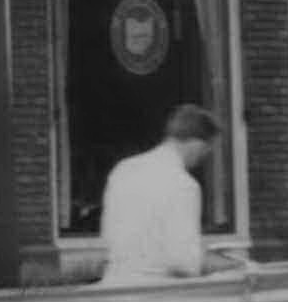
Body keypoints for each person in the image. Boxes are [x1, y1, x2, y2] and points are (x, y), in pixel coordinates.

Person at [98, 103, 232, 284]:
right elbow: (182, 262)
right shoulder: (183, 185)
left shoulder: (124, 169)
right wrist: (234, 265)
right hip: (157, 293)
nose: (205, 156)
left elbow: (109, 239)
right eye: (208, 149)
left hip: (114, 284)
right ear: (197, 143)